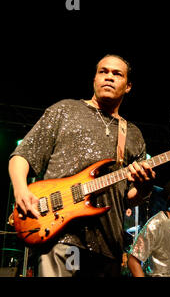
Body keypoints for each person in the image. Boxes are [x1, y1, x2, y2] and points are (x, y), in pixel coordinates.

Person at [8, 54, 156, 276]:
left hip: (108, 247)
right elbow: (23, 154)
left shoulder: (133, 135)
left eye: (117, 74)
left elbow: (127, 197)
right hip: (64, 239)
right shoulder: (64, 111)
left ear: (128, 86)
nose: (109, 77)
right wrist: (20, 189)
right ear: (94, 79)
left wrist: (144, 188)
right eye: (103, 72)